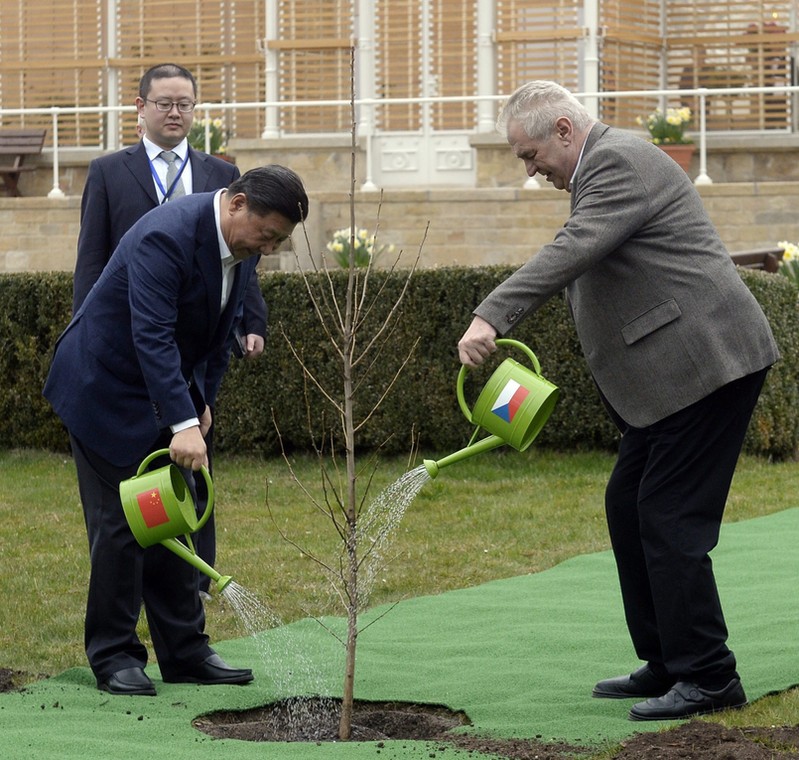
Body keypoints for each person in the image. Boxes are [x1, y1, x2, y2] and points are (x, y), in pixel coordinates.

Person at [457, 81, 780, 722]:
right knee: (629, 506)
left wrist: (492, 315)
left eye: (529, 154)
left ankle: (710, 677)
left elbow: (573, 250)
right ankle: (667, 662)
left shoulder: (618, 161)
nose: (528, 168)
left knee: (667, 518)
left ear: (564, 131)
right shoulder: (600, 167)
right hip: (677, 377)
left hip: (706, 364)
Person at [44, 165, 309, 696]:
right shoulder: (166, 235)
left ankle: (185, 652)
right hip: (104, 387)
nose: (272, 247)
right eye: (269, 234)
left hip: (157, 390)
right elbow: (152, 333)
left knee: (172, 518)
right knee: (124, 523)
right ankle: (115, 656)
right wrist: (183, 422)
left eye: (281, 239)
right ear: (236, 205)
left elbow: (215, 334)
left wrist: (200, 405)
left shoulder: (240, 248)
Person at [73, 63, 268, 593]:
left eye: (185, 103)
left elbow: (242, 258)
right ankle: (123, 581)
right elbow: (92, 260)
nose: (175, 112)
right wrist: (85, 333)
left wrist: (253, 319)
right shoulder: (110, 172)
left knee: (189, 459)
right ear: (140, 109)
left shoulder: (224, 175)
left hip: (188, 354)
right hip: (126, 345)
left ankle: (193, 583)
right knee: (123, 486)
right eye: (164, 103)